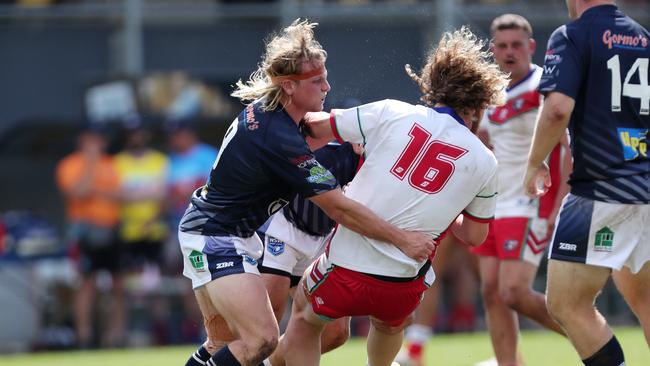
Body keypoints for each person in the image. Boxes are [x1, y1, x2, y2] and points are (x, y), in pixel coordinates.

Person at [179, 19, 435, 366]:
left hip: (222, 231)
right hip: (216, 236)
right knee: (262, 340)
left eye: (325, 76)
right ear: (287, 85)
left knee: (224, 343)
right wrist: (402, 239)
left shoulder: (275, 116)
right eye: (317, 81)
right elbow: (340, 209)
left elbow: (317, 126)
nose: (327, 86)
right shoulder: (279, 137)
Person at [279, 26, 509, 366]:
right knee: (391, 325)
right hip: (404, 285)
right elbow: (475, 235)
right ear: (478, 105)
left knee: (304, 317)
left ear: (434, 87)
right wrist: (449, 204)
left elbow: (314, 126)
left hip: (345, 269)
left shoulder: (394, 111)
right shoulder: (486, 161)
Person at [524, 1, 650, 365]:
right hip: (644, 188)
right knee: (646, 304)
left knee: (566, 304)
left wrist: (535, 163)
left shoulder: (573, 35)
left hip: (601, 191)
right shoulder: (643, 38)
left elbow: (558, 108)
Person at [468, 14, 571, 366]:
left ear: (530, 46)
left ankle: (595, 340)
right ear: (492, 49)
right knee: (493, 293)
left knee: (513, 291)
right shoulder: (490, 93)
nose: (509, 52)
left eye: (516, 45)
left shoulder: (545, 84)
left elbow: (567, 148)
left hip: (532, 201)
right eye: (502, 45)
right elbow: (485, 144)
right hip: (495, 203)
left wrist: (561, 202)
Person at [258, 141, 363, 366]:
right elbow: (336, 206)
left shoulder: (381, 164)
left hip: (325, 237)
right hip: (282, 227)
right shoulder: (326, 147)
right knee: (264, 327)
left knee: (336, 332)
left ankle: (264, 364)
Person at [56, 125, 124, 348]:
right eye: (92, 139)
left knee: (118, 283)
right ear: (83, 140)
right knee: (86, 283)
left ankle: (115, 336)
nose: (97, 144)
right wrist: (91, 164)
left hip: (111, 227)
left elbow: (122, 195)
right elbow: (78, 192)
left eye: (99, 140)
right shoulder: (70, 164)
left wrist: (98, 191)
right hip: (84, 230)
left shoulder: (112, 163)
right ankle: (83, 336)